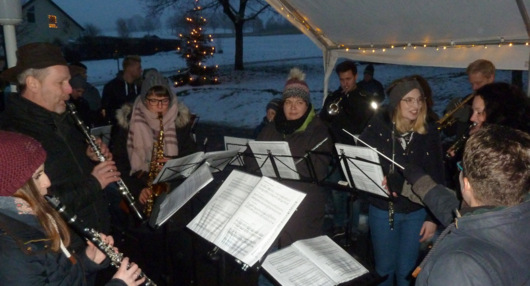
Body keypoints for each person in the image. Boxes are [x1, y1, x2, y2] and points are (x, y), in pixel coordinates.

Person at [0, 42, 119, 251]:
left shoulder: (62, 116)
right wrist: (95, 183)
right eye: (61, 82)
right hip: (63, 248)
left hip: (93, 237)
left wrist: (87, 155)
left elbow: (65, 166)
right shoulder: (13, 134)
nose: (70, 89)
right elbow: (35, 204)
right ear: (33, 83)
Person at [0, 130, 144, 286]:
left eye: (43, 172)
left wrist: (88, 261)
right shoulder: (11, 250)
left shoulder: (31, 214)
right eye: (37, 176)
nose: (47, 183)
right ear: (12, 186)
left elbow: (57, 277)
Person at [402, 125, 530, 285]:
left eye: (461, 168)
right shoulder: (515, 212)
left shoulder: (458, 267)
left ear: (466, 185)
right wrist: (421, 183)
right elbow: (470, 219)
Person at [110, 69, 198, 285]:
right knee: (150, 257)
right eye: (153, 100)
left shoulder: (180, 121)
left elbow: (192, 158)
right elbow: (119, 163)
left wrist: (173, 165)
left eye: (164, 100)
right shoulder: (127, 123)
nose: (160, 106)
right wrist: (137, 188)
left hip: (174, 195)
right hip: (142, 194)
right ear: (142, 99)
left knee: (180, 256)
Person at [359, 77, 444, 286]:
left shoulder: (429, 131)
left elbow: (438, 175)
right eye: (408, 100)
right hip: (383, 210)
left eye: (419, 100)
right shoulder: (378, 127)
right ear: (397, 102)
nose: (415, 106)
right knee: (384, 270)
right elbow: (363, 163)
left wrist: (433, 218)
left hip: (417, 211)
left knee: (407, 272)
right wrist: (377, 181)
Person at [248, 67, 333, 247]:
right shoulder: (271, 128)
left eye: (299, 102)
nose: (293, 107)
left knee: (293, 261)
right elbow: (251, 158)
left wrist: (279, 163)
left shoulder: (318, 131)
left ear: (307, 105)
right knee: (267, 262)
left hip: (303, 211)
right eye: (288, 102)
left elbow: (317, 169)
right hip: (269, 206)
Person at [320, 60, 376, 241]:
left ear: (356, 77)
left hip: (355, 151)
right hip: (336, 152)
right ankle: (338, 225)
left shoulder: (364, 97)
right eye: (342, 79)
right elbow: (324, 119)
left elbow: (362, 123)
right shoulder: (334, 97)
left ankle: (353, 229)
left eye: (348, 79)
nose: (345, 83)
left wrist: (345, 106)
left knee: (355, 194)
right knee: (337, 192)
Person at [101, 55, 142, 124]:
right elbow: (107, 111)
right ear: (129, 68)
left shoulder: (140, 86)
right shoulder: (111, 87)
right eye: (139, 68)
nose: (141, 70)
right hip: (119, 129)